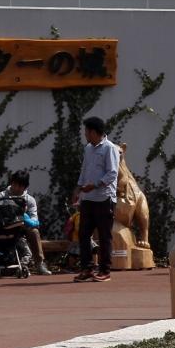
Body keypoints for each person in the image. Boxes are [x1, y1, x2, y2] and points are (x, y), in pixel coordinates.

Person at [74, 116, 119, 283]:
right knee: (83, 234)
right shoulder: (88, 148)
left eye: (86, 131)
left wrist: (95, 185)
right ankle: (87, 268)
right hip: (87, 199)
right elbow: (84, 170)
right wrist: (78, 188)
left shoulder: (110, 148)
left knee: (104, 236)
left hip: (104, 198)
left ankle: (105, 270)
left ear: (93, 132)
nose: (85, 134)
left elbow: (112, 173)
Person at [0, 170, 52, 276]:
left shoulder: (30, 200)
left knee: (34, 231)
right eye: (14, 184)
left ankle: (39, 264)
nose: (16, 188)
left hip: (21, 229)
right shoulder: (0, 197)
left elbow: (34, 220)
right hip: (3, 228)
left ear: (25, 187)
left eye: (20, 186)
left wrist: (25, 220)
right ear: (11, 183)